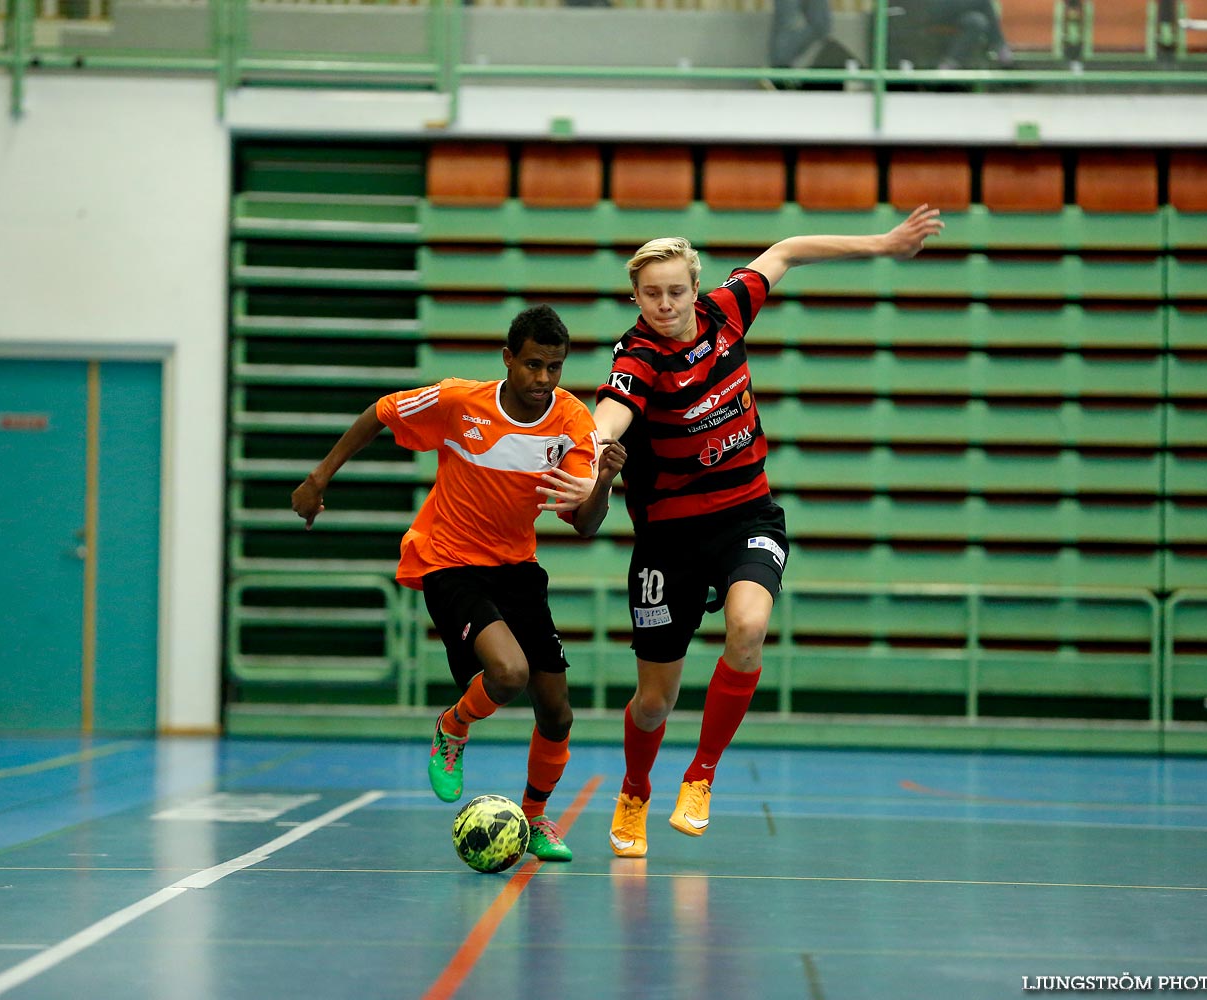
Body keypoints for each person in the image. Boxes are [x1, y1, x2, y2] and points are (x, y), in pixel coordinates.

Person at [591, 205, 944, 858]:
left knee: (748, 627)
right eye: (651, 294)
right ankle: (636, 786)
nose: (665, 304)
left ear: (695, 288)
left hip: (746, 517)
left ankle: (701, 774)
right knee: (652, 703)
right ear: (634, 296)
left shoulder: (727, 311)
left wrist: (885, 243)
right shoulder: (637, 354)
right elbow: (612, 411)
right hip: (668, 540)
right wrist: (588, 442)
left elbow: (786, 249)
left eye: (676, 291)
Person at [291, 304, 626, 863]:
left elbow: (586, 524)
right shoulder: (458, 401)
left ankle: (537, 817)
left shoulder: (572, 422)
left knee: (558, 712)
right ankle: (453, 727)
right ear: (508, 359)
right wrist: (317, 478)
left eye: (555, 368)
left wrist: (607, 480)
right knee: (509, 673)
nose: (543, 380)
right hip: (449, 561)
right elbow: (379, 412)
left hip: (517, 567)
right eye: (533, 365)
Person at [917, 0, 1014, 70]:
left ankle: (951, 62)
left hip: (956, 11)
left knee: (977, 21)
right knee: (984, 2)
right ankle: (998, 44)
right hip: (932, 7)